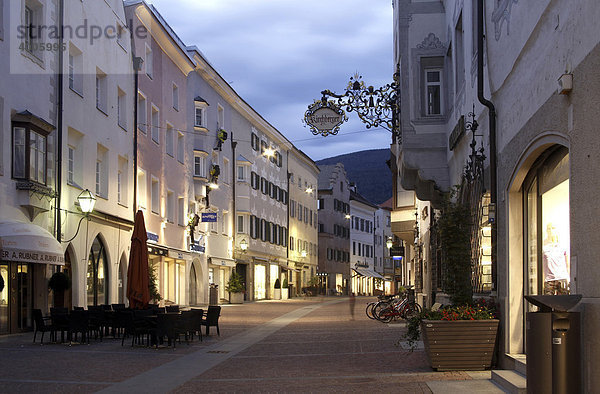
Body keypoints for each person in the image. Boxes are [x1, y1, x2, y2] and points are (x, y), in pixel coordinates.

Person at [542, 223, 569, 295]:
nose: (551, 230)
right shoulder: (544, 247)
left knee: (564, 302)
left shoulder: (562, 246)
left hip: (562, 277)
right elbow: (542, 265)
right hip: (549, 279)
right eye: (549, 228)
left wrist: (569, 278)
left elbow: (567, 264)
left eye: (553, 228)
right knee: (547, 303)